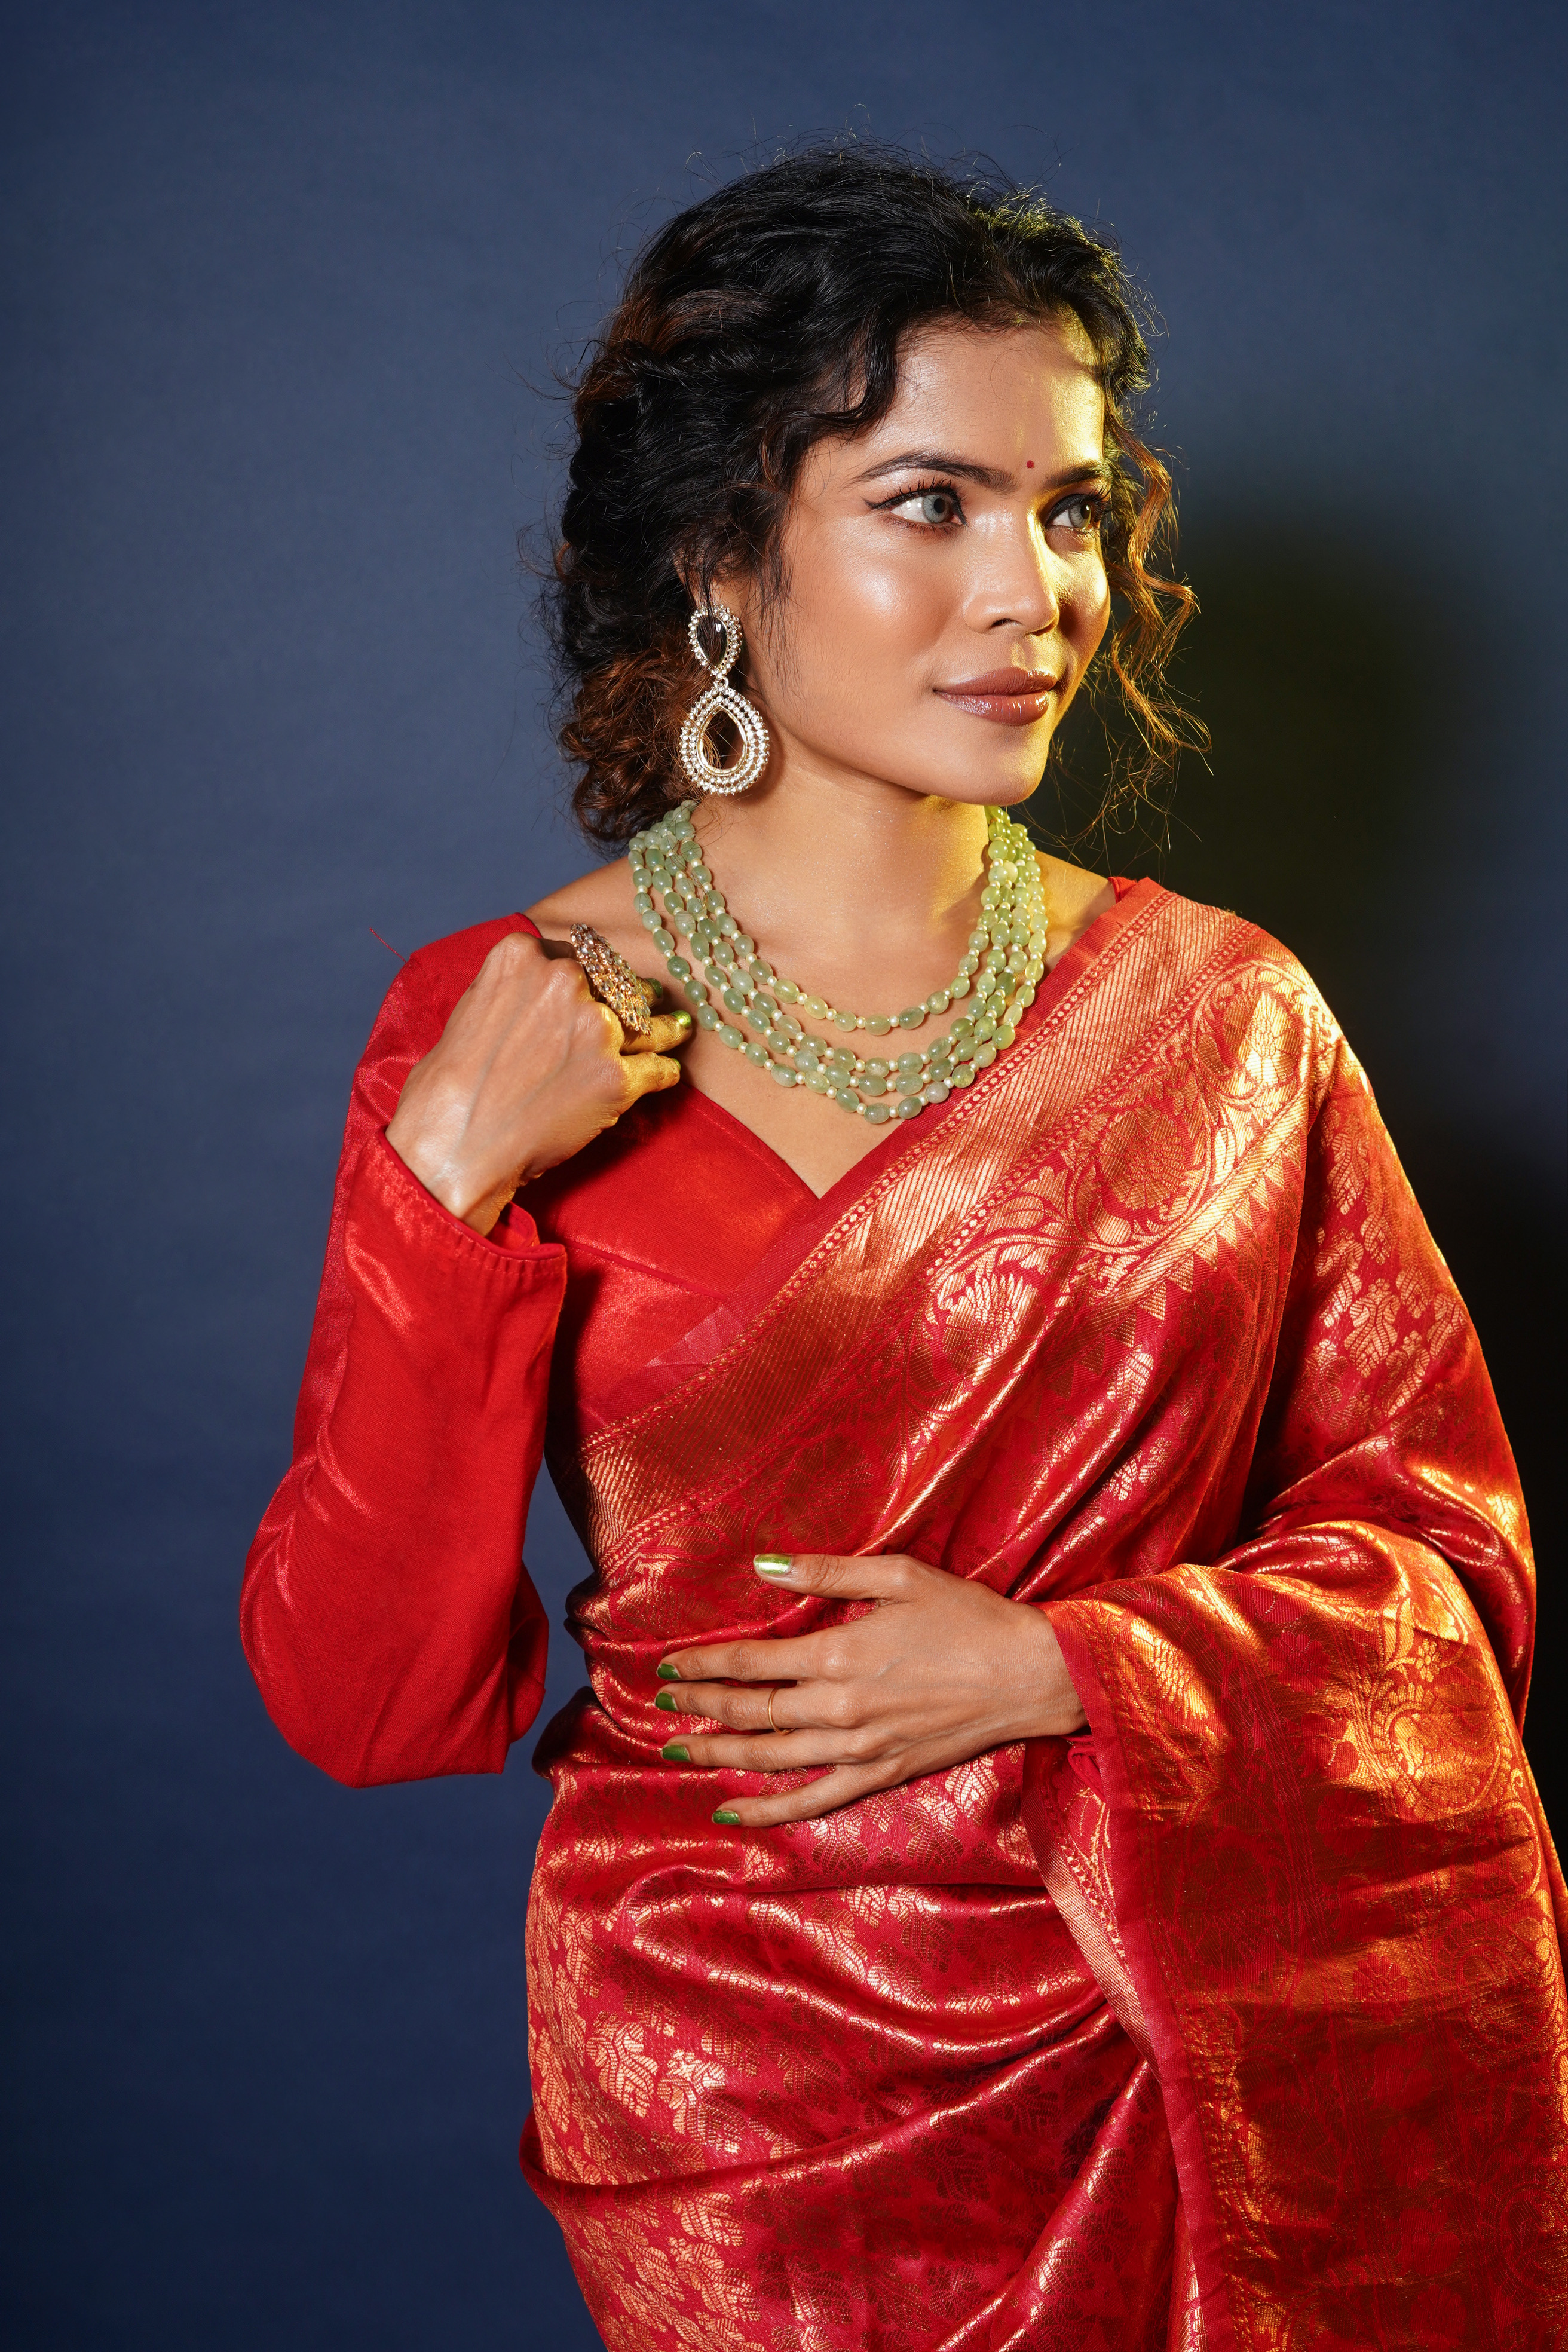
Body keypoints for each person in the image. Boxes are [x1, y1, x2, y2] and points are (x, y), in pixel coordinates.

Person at [241, 150, 1566, 2351]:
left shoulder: (1226, 1021)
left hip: (1203, 2048)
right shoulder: (492, 1031)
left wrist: (1074, 1671)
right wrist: (445, 1184)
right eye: (931, 503)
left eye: (1070, 512)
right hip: (741, 2089)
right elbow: (367, 1701)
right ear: (717, 553)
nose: (1032, 592)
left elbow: (1452, 1557)